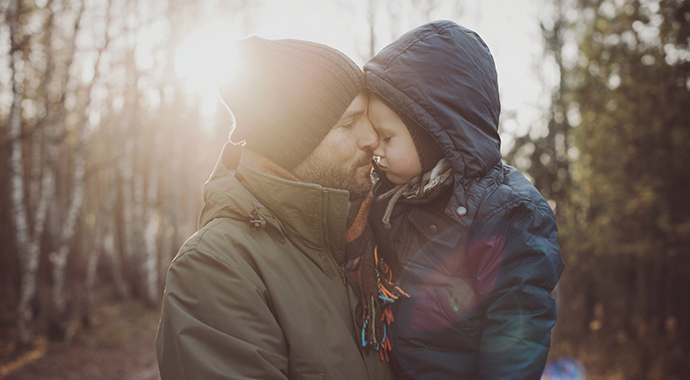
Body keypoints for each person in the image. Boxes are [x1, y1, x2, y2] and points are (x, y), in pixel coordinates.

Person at [155, 36, 396, 380]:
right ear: (291, 145)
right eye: (347, 124)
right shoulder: (217, 266)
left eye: (368, 117)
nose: (372, 138)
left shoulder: (371, 230)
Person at [363, 20, 565, 379]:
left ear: (435, 133)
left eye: (387, 136)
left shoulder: (509, 213)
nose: (374, 146)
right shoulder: (389, 198)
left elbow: (516, 335)